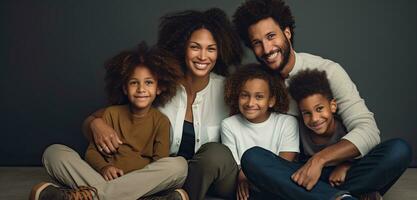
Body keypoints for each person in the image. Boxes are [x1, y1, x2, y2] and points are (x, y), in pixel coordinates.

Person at [233, 0, 412, 199]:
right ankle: (341, 197)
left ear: (287, 33)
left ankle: (321, 195)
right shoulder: (257, 86)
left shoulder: (329, 71)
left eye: (271, 36)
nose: (266, 49)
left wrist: (321, 160)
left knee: (398, 150)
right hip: (293, 174)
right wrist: (244, 170)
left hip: (341, 171)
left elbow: (368, 130)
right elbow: (242, 128)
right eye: (257, 43)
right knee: (252, 159)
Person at [82, 8, 244, 200]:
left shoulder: (229, 91)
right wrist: (95, 124)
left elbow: (251, 130)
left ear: (220, 52)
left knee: (214, 153)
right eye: (195, 47)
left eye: (211, 48)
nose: (202, 56)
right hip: (165, 177)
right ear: (183, 47)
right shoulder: (161, 85)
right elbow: (106, 117)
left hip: (213, 180)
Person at [29, 43, 189, 200]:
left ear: (159, 88)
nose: (141, 89)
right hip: (105, 179)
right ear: (125, 88)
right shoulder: (111, 113)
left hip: (140, 183)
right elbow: (91, 152)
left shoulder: (161, 121)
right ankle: (129, 197)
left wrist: (138, 180)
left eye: (148, 82)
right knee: (54, 152)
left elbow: (159, 163)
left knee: (178, 165)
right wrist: (105, 167)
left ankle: (89, 196)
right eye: (134, 83)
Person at [221, 64, 299, 200]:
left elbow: (284, 165)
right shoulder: (229, 125)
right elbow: (236, 167)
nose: (250, 103)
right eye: (245, 95)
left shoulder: (287, 122)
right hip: (249, 188)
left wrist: (248, 172)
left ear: (271, 101)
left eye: (259, 97)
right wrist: (243, 174)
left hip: (278, 183)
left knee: (253, 157)